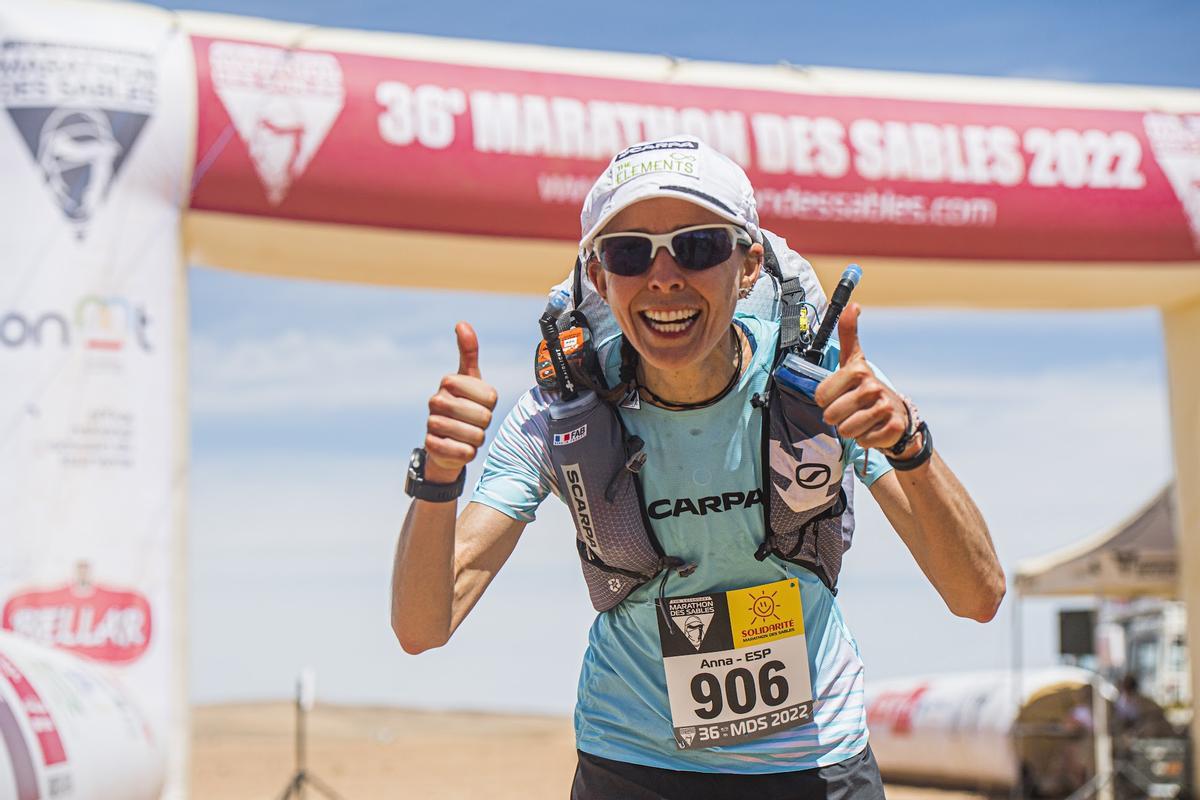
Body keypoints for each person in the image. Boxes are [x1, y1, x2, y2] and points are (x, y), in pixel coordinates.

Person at [391, 135, 1005, 799]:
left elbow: (977, 597)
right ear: (599, 279)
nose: (663, 277)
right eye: (629, 253)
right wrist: (440, 479)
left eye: (698, 245)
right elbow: (423, 628)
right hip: (633, 764)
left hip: (817, 761)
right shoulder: (557, 416)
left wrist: (909, 448)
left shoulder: (826, 390)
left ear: (747, 266)